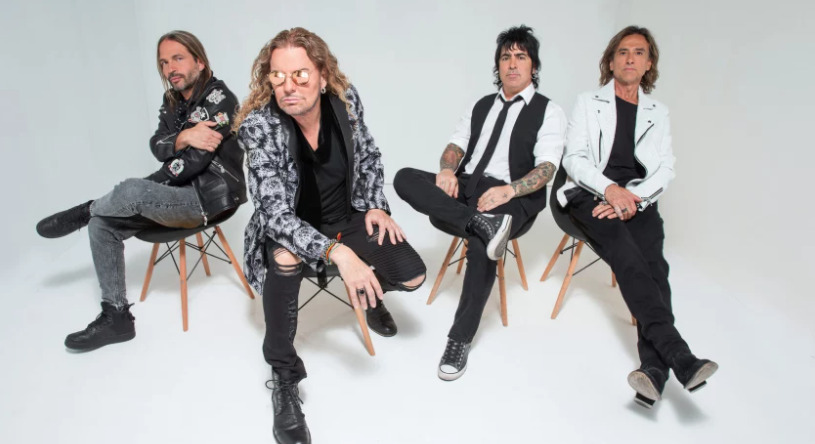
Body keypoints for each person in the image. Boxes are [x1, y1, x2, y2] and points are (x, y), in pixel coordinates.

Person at [233, 28, 426, 444]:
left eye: (300, 74)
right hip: (293, 227)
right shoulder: (260, 127)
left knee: (413, 275)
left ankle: (370, 293)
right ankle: (284, 377)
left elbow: (369, 156)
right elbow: (275, 215)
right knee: (285, 259)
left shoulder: (346, 102)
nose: (289, 86)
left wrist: (374, 204)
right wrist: (338, 253)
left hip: (345, 215)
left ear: (322, 74)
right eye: (278, 76)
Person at [35, 30, 246, 352]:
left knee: (132, 189)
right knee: (102, 224)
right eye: (164, 62)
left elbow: (192, 163)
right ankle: (117, 317)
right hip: (176, 192)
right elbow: (157, 146)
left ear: (200, 62)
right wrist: (183, 137)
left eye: (178, 58)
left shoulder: (220, 100)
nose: (170, 68)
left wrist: (150, 183)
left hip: (208, 197)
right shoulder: (172, 101)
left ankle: (87, 209)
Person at [557, 25, 718, 408]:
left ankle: (654, 371)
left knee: (655, 266)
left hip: (636, 198)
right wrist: (610, 191)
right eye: (623, 52)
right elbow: (574, 158)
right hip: (589, 193)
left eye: (639, 52)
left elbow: (665, 168)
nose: (630, 58)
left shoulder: (658, 112)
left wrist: (634, 197)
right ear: (611, 62)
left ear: (648, 64)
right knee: (626, 253)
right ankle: (680, 355)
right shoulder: (588, 102)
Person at [393, 25, 566, 381]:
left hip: (512, 196)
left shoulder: (549, 111)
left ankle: (459, 338)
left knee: (482, 243)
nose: (512, 64)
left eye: (521, 57)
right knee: (405, 177)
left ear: (533, 66)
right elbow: (456, 145)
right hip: (469, 187)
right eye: (506, 57)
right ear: (498, 65)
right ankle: (480, 223)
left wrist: (509, 191)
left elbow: (547, 167)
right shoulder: (480, 105)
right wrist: (447, 170)